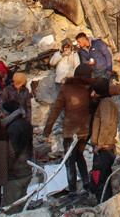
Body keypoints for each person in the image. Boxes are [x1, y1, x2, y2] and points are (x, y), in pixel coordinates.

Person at [42, 63, 94, 193]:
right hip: (86, 130)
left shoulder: (66, 88)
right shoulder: (92, 88)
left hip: (70, 131)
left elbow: (56, 109)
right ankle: (86, 183)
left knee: (70, 160)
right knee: (79, 155)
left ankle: (72, 191)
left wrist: (47, 129)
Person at [86, 78, 120, 203]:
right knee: (104, 178)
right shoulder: (106, 102)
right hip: (105, 147)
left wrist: (101, 144)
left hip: (104, 149)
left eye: (94, 91)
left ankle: (103, 206)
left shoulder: (106, 103)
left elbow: (106, 123)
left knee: (99, 180)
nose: (91, 94)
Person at [0, 100, 33, 212]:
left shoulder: (12, 128)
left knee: (10, 210)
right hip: (25, 172)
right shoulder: (25, 124)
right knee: (21, 208)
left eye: (2, 112)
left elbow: (11, 153)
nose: (1, 114)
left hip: (15, 175)